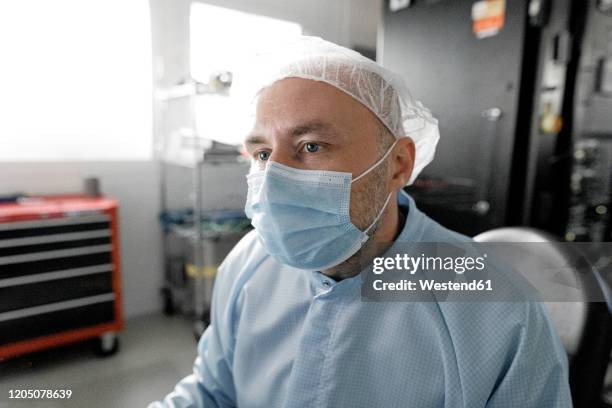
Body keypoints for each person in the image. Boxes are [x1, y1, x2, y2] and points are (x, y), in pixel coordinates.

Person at [150, 36, 571, 407]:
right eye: (262, 154)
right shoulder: (246, 265)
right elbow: (212, 393)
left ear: (398, 165)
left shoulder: (498, 312)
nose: (273, 179)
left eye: (311, 146)